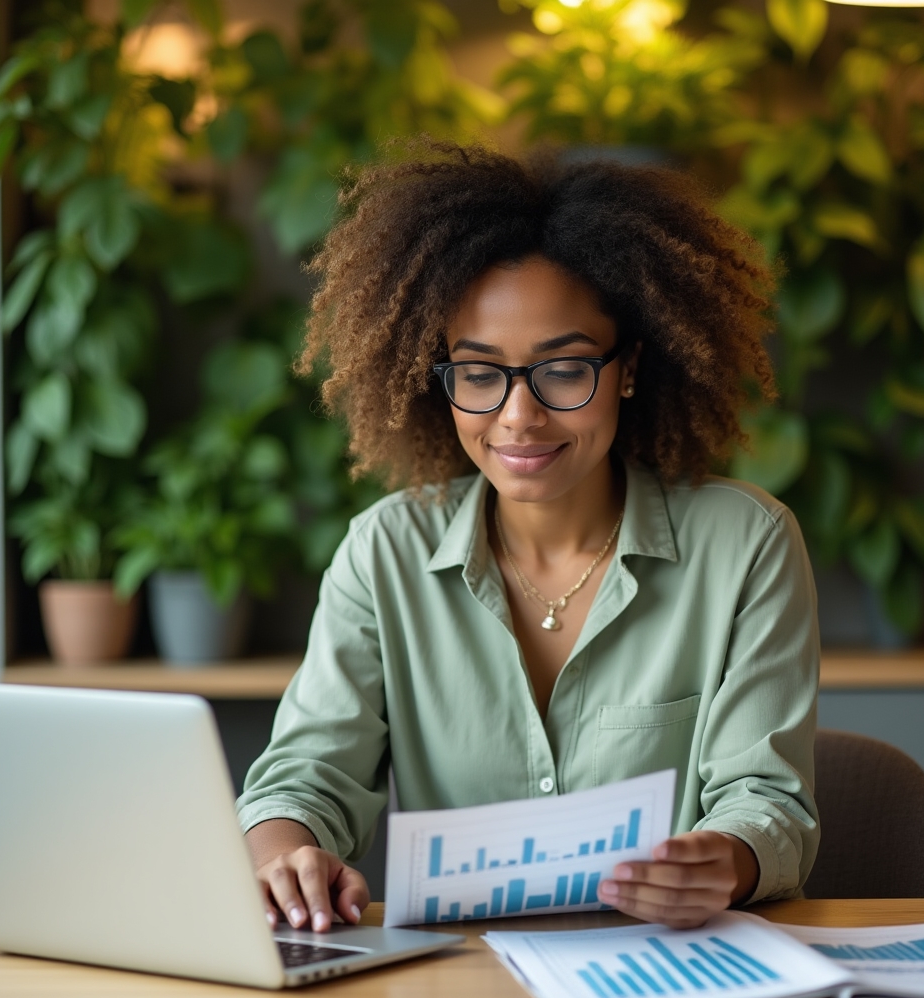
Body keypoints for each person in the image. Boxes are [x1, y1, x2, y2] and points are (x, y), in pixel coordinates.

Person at [237, 141, 819, 934]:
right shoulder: (385, 555)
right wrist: (285, 857)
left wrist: (725, 859)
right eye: (479, 374)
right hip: (459, 989)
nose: (518, 416)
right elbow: (303, 781)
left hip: (668, 976)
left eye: (564, 369)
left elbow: (768, 802)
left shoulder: (745, 546)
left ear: (629, 369)